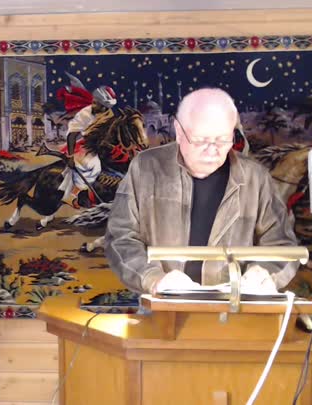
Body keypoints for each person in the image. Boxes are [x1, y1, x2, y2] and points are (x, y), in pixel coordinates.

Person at [104, 88, 298, 295]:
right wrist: (153, 279)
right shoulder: (145, 168)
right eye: (200, 140)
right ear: (179, 131)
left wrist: (265, 273)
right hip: (162, 304)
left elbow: (282, 246)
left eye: (222, 140)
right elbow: (120, 237)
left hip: (234, 305)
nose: (212, 150)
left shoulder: (255, 178)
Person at [58, 85, 117, 208]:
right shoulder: (85, 114)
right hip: (86, 147)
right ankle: (78, 195)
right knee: (93, 165)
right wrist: (70, 156)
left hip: (103, 146)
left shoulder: (109, 115)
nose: (93, 104)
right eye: (93, 101)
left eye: (96, 103)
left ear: (104, 106)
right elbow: (71, 135)